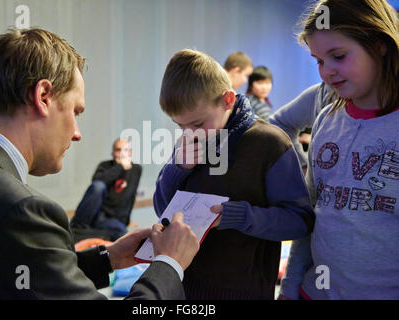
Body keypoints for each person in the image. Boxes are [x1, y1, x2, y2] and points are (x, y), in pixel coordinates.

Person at [0, 28, 200, 300]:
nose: (77, 133)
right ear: (43, 96)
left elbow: (8, 274)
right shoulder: (22, 211)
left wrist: (108, 259)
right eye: (75, 111)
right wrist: (168, 265)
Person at [154, 49, 315, 299]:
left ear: (227, 100)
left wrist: (237, 216)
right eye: (179, 126)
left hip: (244, 290)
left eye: (197, 124)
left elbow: (299, 221)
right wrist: (177, 170)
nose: (189, 133)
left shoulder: (269, 143)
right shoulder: (189, 140)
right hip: (185, 287)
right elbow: (163, 210)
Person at [279, 0, 399, 300]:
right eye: (319, 61)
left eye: (338, 56)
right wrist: (290, 287)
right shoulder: (326, 119)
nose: (327, 72)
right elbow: (312, 218)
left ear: (380, 44)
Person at [70, 138, 142, 242]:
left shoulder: (136, 170)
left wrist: (127, 220)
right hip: (95, 214)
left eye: (125, 150)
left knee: (123, 235)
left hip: (112, 220)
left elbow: (130, 196)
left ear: (130, 153)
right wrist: (119, 166)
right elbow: (96, 185)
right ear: (113, 153)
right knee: (99, 186)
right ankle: (77, 227)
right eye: (118, 150)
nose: (122, 154)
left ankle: (94, 232)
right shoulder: (105, 166)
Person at [269, 82, 335, 173]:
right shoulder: (320, 94)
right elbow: (279, 123)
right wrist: (302, 163)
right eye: (321, 66)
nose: (329, 71)